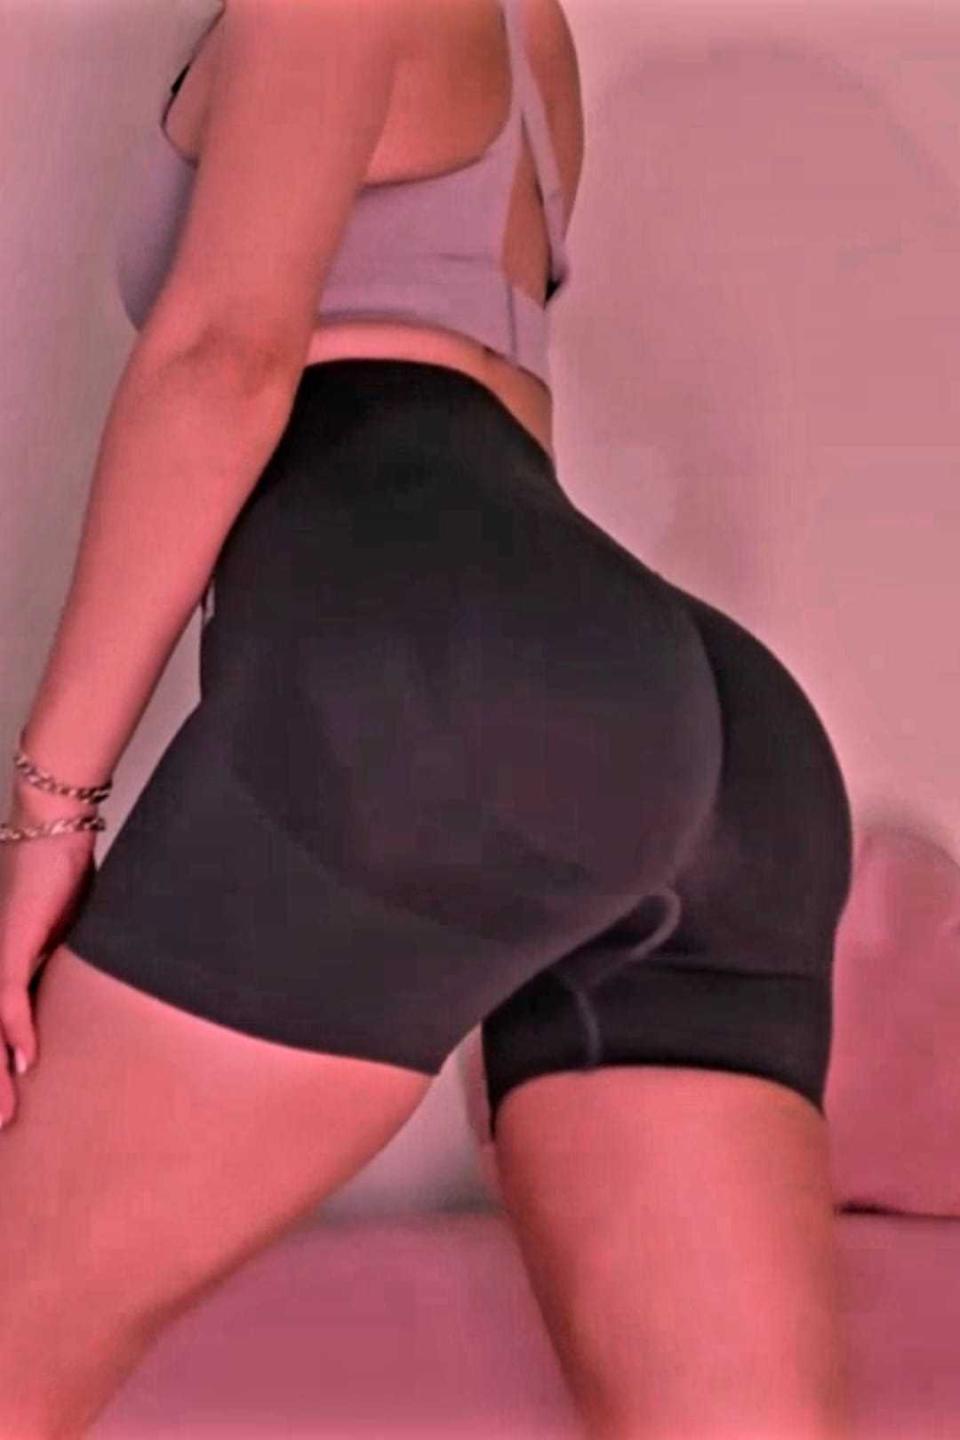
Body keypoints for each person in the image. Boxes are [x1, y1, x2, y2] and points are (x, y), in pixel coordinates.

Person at [0, 1, 855, 1435]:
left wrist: (49, 814)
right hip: (701, 728)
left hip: (459, 673)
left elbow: (222, 365)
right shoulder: (533, 34)